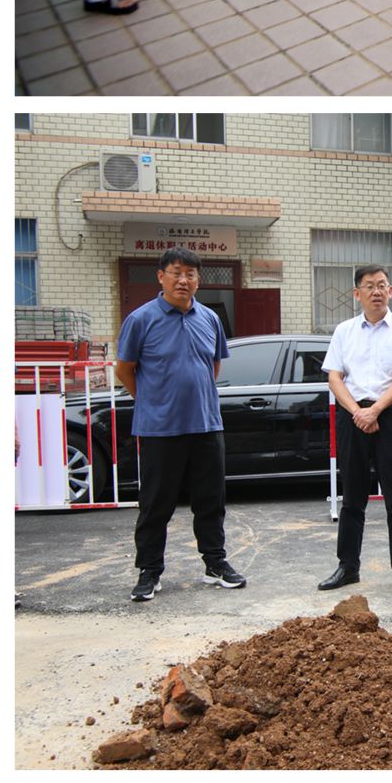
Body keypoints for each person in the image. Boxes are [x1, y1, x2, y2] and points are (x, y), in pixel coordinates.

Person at [117, 246, 242, 601]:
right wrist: (151, 400)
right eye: (176, 272)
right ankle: (149, 571)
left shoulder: (210, 319)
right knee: (155, 505)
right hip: (159, 428)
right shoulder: (141, 319)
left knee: (210, 501)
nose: (183, 280)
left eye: (190, 274)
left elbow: (213, 365)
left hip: (206, 424)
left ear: (198, 280)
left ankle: (215, 563)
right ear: (161, 277)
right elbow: (124, 370)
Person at [317, 265, 392, 595]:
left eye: (382, 285)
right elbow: (334, 377)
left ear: (390, 291)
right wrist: (358, 412)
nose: (376, 291)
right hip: (353, 417)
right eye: (369, 286)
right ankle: (347, 567)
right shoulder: (344, 331)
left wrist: (375, 410)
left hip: (390, 417)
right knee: (352, 497)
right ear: (356, 293)